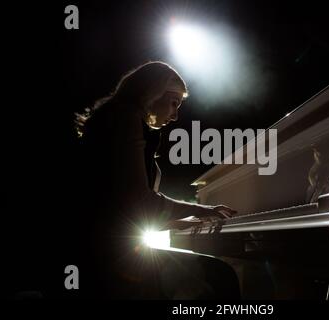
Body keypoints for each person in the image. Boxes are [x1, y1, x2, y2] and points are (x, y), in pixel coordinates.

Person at [72, 61, 239, 299]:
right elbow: (138, 203)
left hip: (102, 251)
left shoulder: (115, 116)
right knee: (219, 276)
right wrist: (203, 210)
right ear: (153, 92)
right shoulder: (125, 117)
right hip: (104, 260)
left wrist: (177, 221)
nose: (175, 115)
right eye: (174, 103)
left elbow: (120, 209)